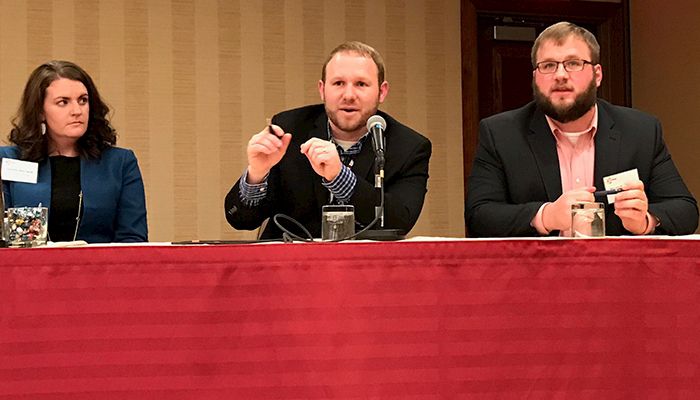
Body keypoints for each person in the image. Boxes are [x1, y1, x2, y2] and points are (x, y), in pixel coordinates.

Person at [466, 22, 698, 237]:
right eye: (548, 66)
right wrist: (545, 216)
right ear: (535, 78)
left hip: (618, 273)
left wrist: (645, 221)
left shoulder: (641, 131)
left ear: (597, 75)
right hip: (535, 275)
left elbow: (685, 211)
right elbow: (479, 216)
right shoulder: (501, 133)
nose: (560, 75)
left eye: (573, 63)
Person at [225, 41, 431, 239]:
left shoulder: (409, 147)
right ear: (322, 89)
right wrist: (257, 174)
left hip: (363, 269)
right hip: (290, 266)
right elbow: (241, 220)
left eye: (361, 84)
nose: (349, 95)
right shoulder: (290, 128)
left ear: (382, 91)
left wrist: (339, 177)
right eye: (338, 83)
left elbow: (399, 221)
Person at [0, 60, 148, 243]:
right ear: (40, 111)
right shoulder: (7, 160)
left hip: (100, 270)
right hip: (27, 270)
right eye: (63, 102)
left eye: (83, 100)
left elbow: (133, 240)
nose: (77, 111)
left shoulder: (119, 163)